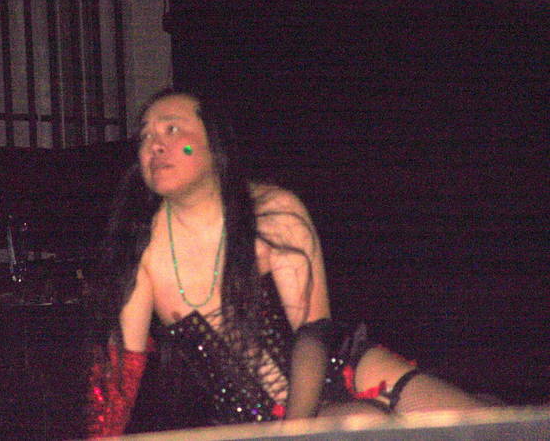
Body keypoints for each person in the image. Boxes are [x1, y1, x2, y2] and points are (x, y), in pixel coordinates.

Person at [85, 88, 486, 438]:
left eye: (172, 129)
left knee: (485, 425)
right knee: (364, 424)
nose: (155, 145)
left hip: (337, 365)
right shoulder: (143, 251)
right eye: (146, 136)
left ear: (213, 143)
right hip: (259, 413)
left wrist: (297, 430)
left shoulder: (273, 210)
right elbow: (119, 376)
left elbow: (313, 332)